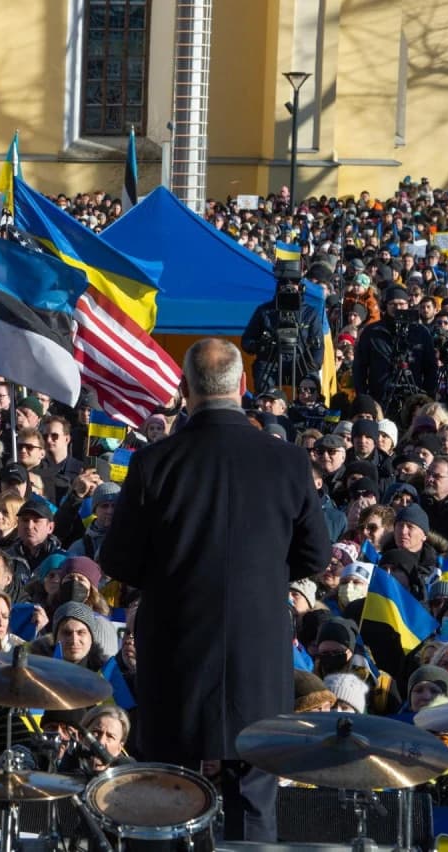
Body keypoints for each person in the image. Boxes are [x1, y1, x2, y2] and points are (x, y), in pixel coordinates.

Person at [100, 338, 331, 843]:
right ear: (243, 387)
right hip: (258, 655)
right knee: (252, 798)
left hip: (177, 654)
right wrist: (263, 571)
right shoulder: (289, 462)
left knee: (167, 795)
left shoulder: (154, 463)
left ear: (184, 391)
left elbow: (117, 560)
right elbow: (316, 556)